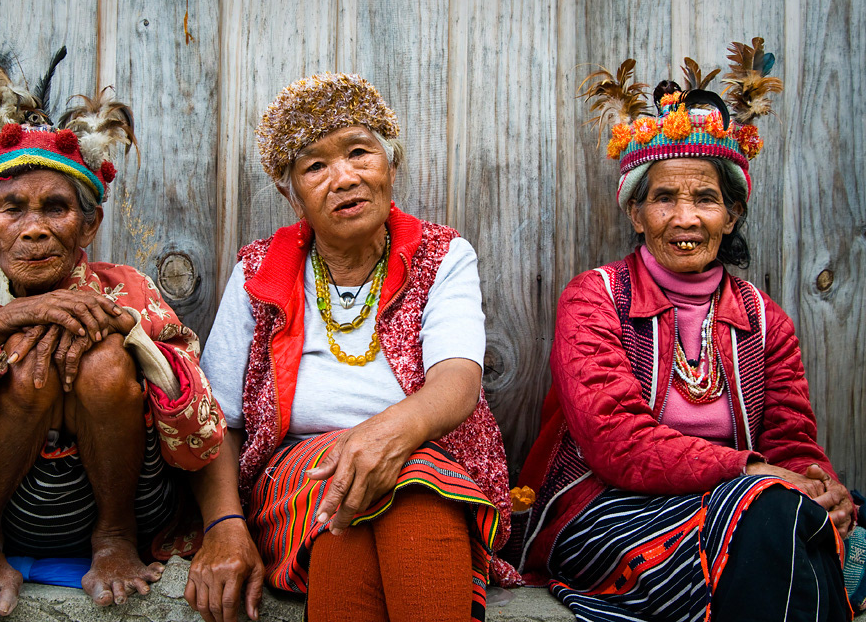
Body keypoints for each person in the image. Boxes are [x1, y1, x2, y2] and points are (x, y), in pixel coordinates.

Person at [0, 52, 225, 618]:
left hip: (124, 505)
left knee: (103, 356)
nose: (33, 227)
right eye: (12, 208)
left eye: (56, 207)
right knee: (26, 356)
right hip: (3, 515)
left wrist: (133, 338)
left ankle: (113, 541)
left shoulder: (127, 291)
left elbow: (200, 439)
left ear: (89, 224)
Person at [514, 39, 854, 620]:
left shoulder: (763, 319)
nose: (685, 218)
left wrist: (816, 480)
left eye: (705, 198)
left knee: (799, 522)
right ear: (635, 212)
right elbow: (616, 440)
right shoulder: (594, 298)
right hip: (604, 506)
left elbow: (791, 440)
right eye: (664, 198)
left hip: (748, 500)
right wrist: (751, 473)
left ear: (733, 213)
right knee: (780, 531)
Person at [185, 73, 521, 622]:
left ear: (390, 166)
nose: (343, 178)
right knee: (378, 490)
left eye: (359, 153)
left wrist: (380, 441)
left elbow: (456, 382)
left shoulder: (442, 255)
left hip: (420, 461)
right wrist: (224, 527)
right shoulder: (257, 272)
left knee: (391, 493)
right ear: (290, 192)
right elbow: (219, 418)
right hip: (298, 476)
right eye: (315, 166)